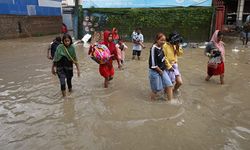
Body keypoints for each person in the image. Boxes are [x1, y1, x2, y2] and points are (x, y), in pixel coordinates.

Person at [149, 33, 173, 101]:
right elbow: (153, 64)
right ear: (157, 40)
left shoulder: (161, 47)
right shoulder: (153, 48)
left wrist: (169, 67)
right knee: (155, 90)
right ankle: (151, 103)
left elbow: (164, 58)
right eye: (161, 40)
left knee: (169, 85)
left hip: (162, 70)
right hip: (155, 71)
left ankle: (170, 102)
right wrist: (160, 72)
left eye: (164, 40)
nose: (163, 42)